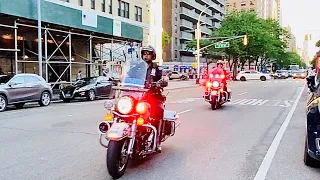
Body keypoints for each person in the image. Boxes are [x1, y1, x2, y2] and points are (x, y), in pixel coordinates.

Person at [141, 45, 165, 152]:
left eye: (148, 54)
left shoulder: (157, 68)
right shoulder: (136, 67)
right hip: (139, 96)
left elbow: (162, 78)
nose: (146, 56)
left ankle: (157, 139)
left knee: (159, 111)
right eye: (144, 54)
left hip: (153, 96)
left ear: (152, 55)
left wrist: (161, 82)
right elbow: (128, 76)